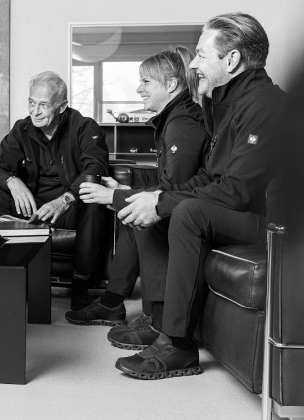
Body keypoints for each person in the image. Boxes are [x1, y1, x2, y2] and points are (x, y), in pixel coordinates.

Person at [109, 13, 283, 379]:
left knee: (187, 213)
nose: (193, 64)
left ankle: (178, 345)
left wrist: (164, 203)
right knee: (156, 208)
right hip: (241, 213)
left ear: (231, 60)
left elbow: (236, 190)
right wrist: (157, 199)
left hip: (272, 225)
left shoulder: (264, 105)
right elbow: (208, 176)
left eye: (202, 55)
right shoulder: (227, 103)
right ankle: (159, 320)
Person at [66, 47, 210, 347]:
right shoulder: (174, 118)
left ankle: (157, 318)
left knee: (143, 216)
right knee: (132, 212)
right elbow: (171, 182)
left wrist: (116, 196)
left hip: (199, 212)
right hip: (189, 201)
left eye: (146, 81)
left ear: (171, 84)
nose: (138, 88)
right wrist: (122, 192)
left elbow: (171, 192)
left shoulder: (183, 123)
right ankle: (112, 302)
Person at [0, 71, 109, 310]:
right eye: (31, 103)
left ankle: (80, 284)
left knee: (93, 201)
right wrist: (12, 181)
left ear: (61, 106)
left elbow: (96, 168)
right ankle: (13, 279)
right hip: (33, 208)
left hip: (69, 208)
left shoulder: (84, 127)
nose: (35, 111)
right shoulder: (22, 129)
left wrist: (66, 199)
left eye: (43, 105)